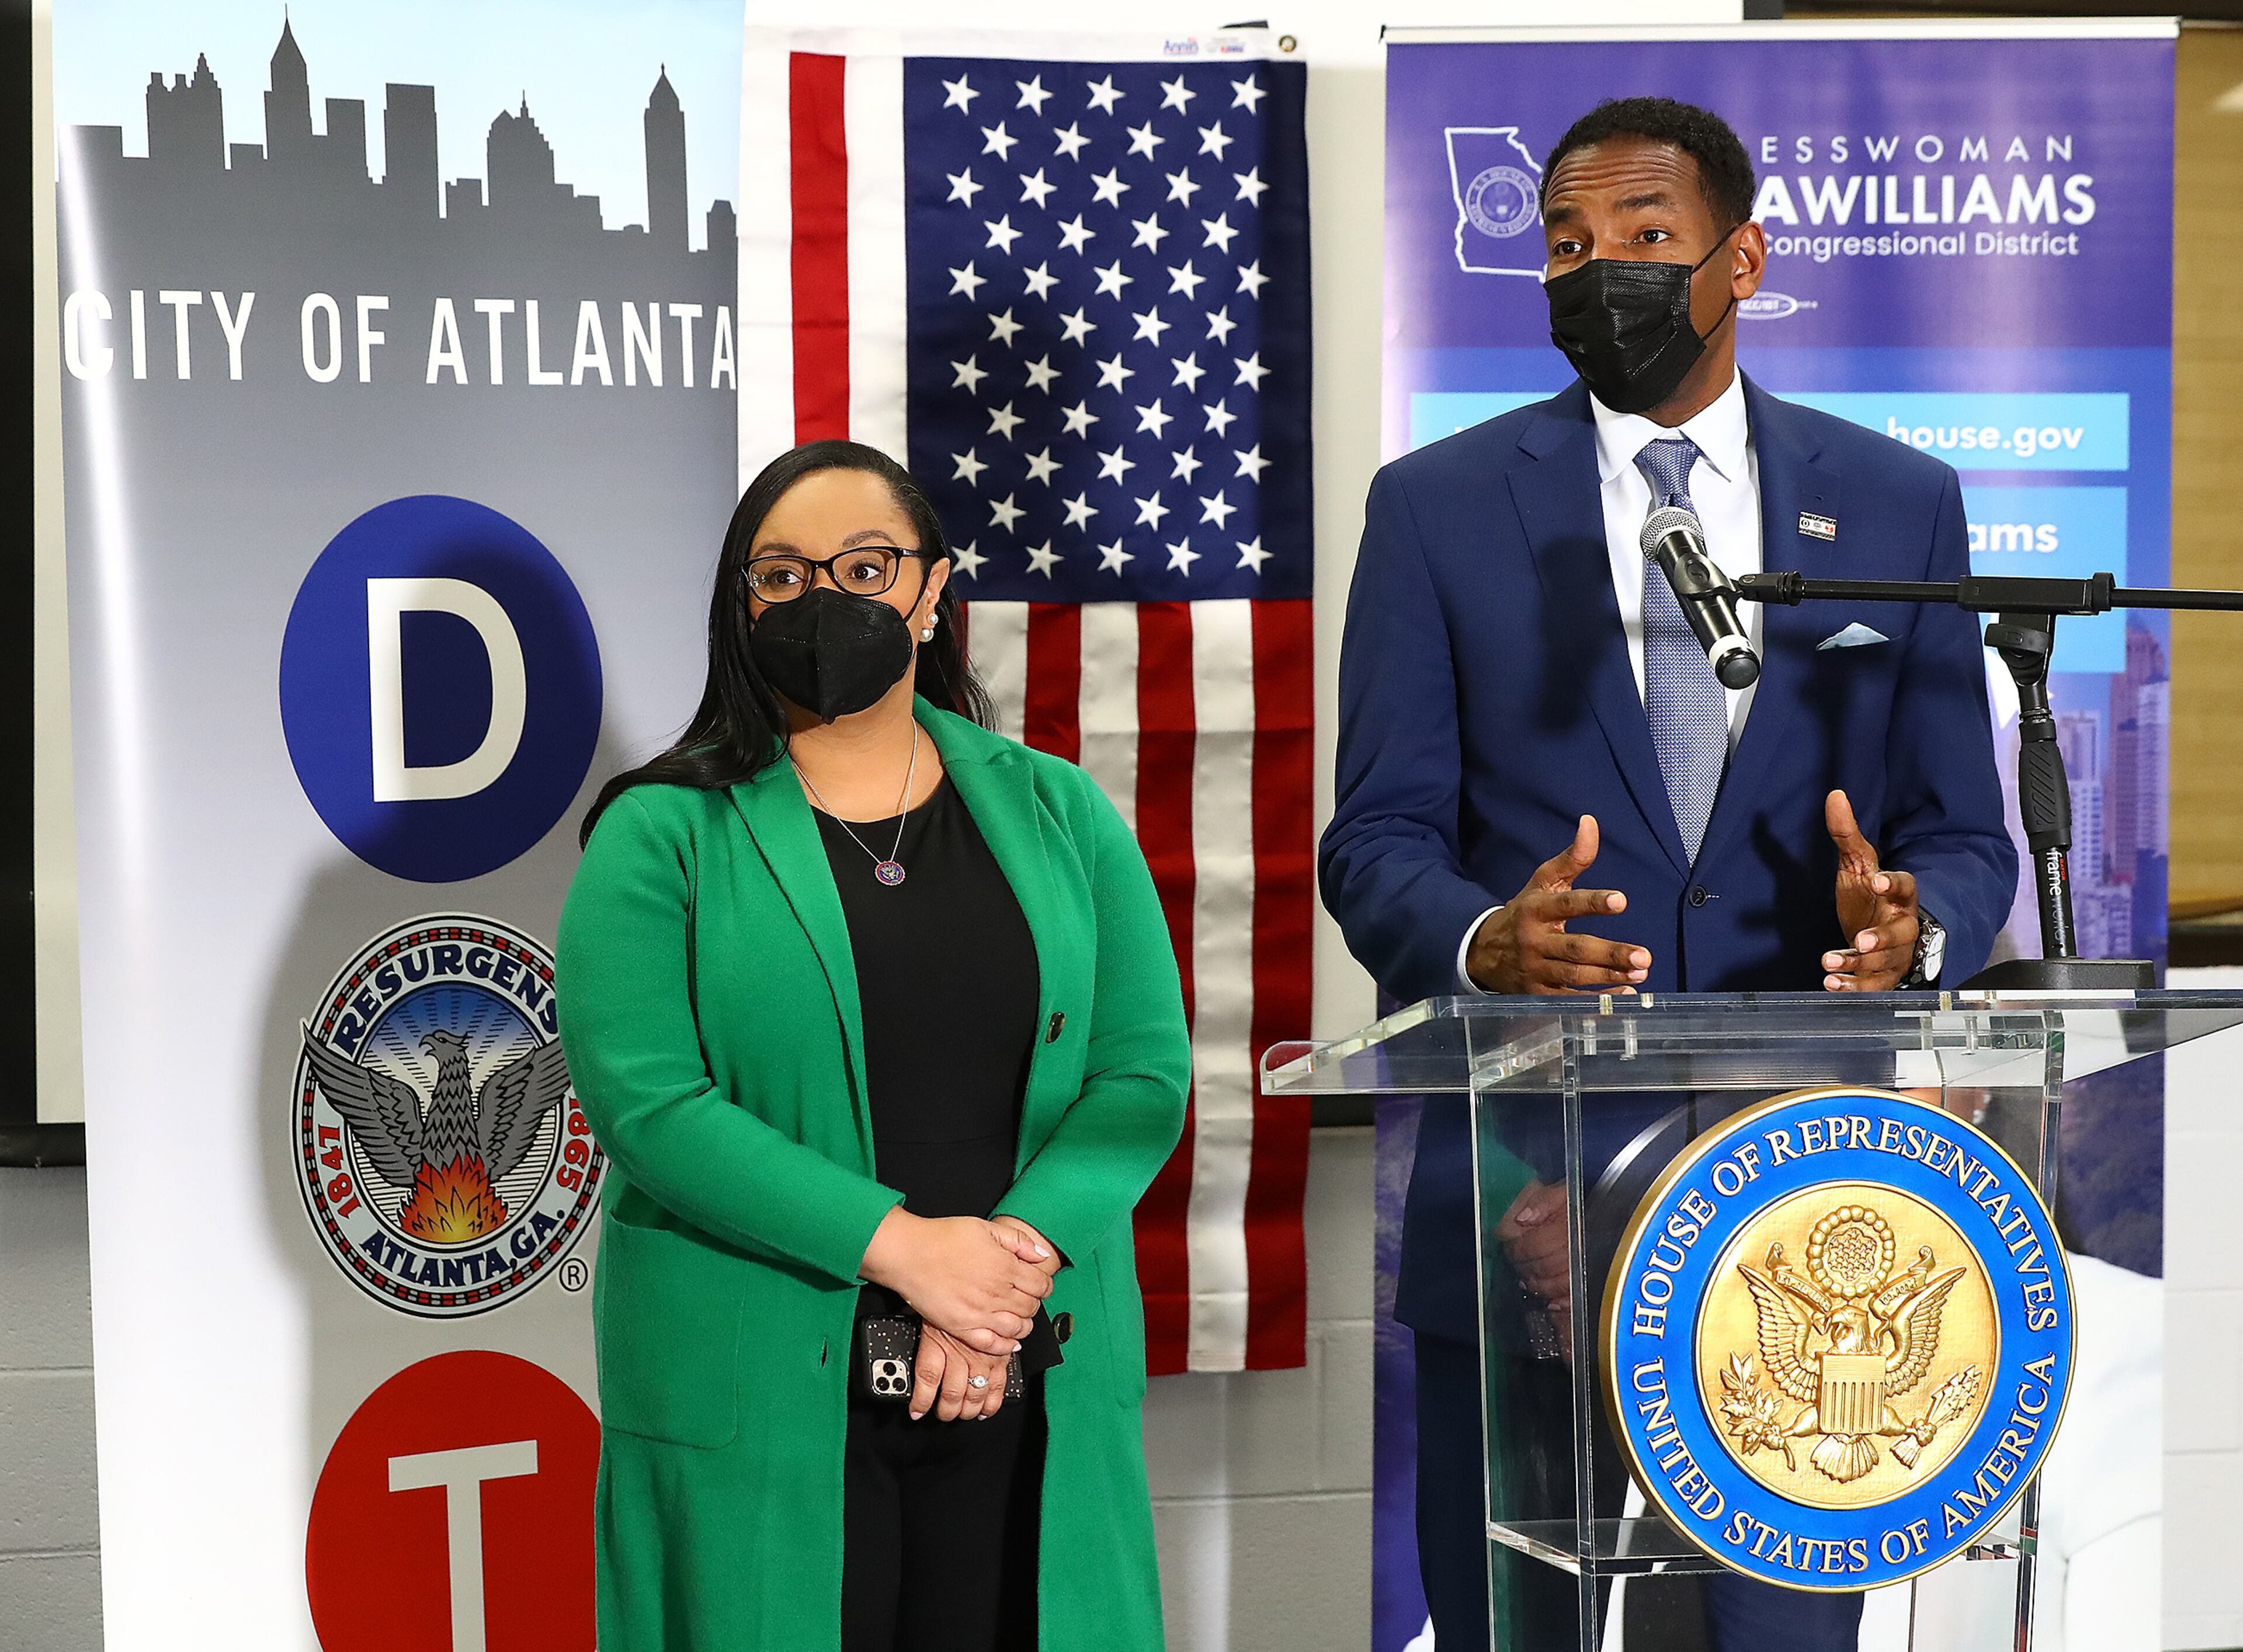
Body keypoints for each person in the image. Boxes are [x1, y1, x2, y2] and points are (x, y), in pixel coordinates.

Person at [1320, 98, 2017, 1651]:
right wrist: (1490, 939)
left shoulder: (1897, 501)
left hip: (1804, 1219)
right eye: (1568, 245)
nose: (1601, 272)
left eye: (1645, 237)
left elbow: (1965, 837)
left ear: (1742, 258)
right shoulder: (1436, 510)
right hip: (1533, 1212)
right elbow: (1371, 844)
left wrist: (1922, 924)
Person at [556, 439, 1191, 1652]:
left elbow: (1140, 1070)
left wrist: (996, 1275)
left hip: (1019, 1366)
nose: (821, 601)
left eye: (864, 565)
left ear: (934, 588)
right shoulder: (659, 831)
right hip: (763, 1385)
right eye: (781, 577)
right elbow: (651, 1104)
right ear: (741, 605)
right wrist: (908, 1254)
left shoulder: (1058, 809)